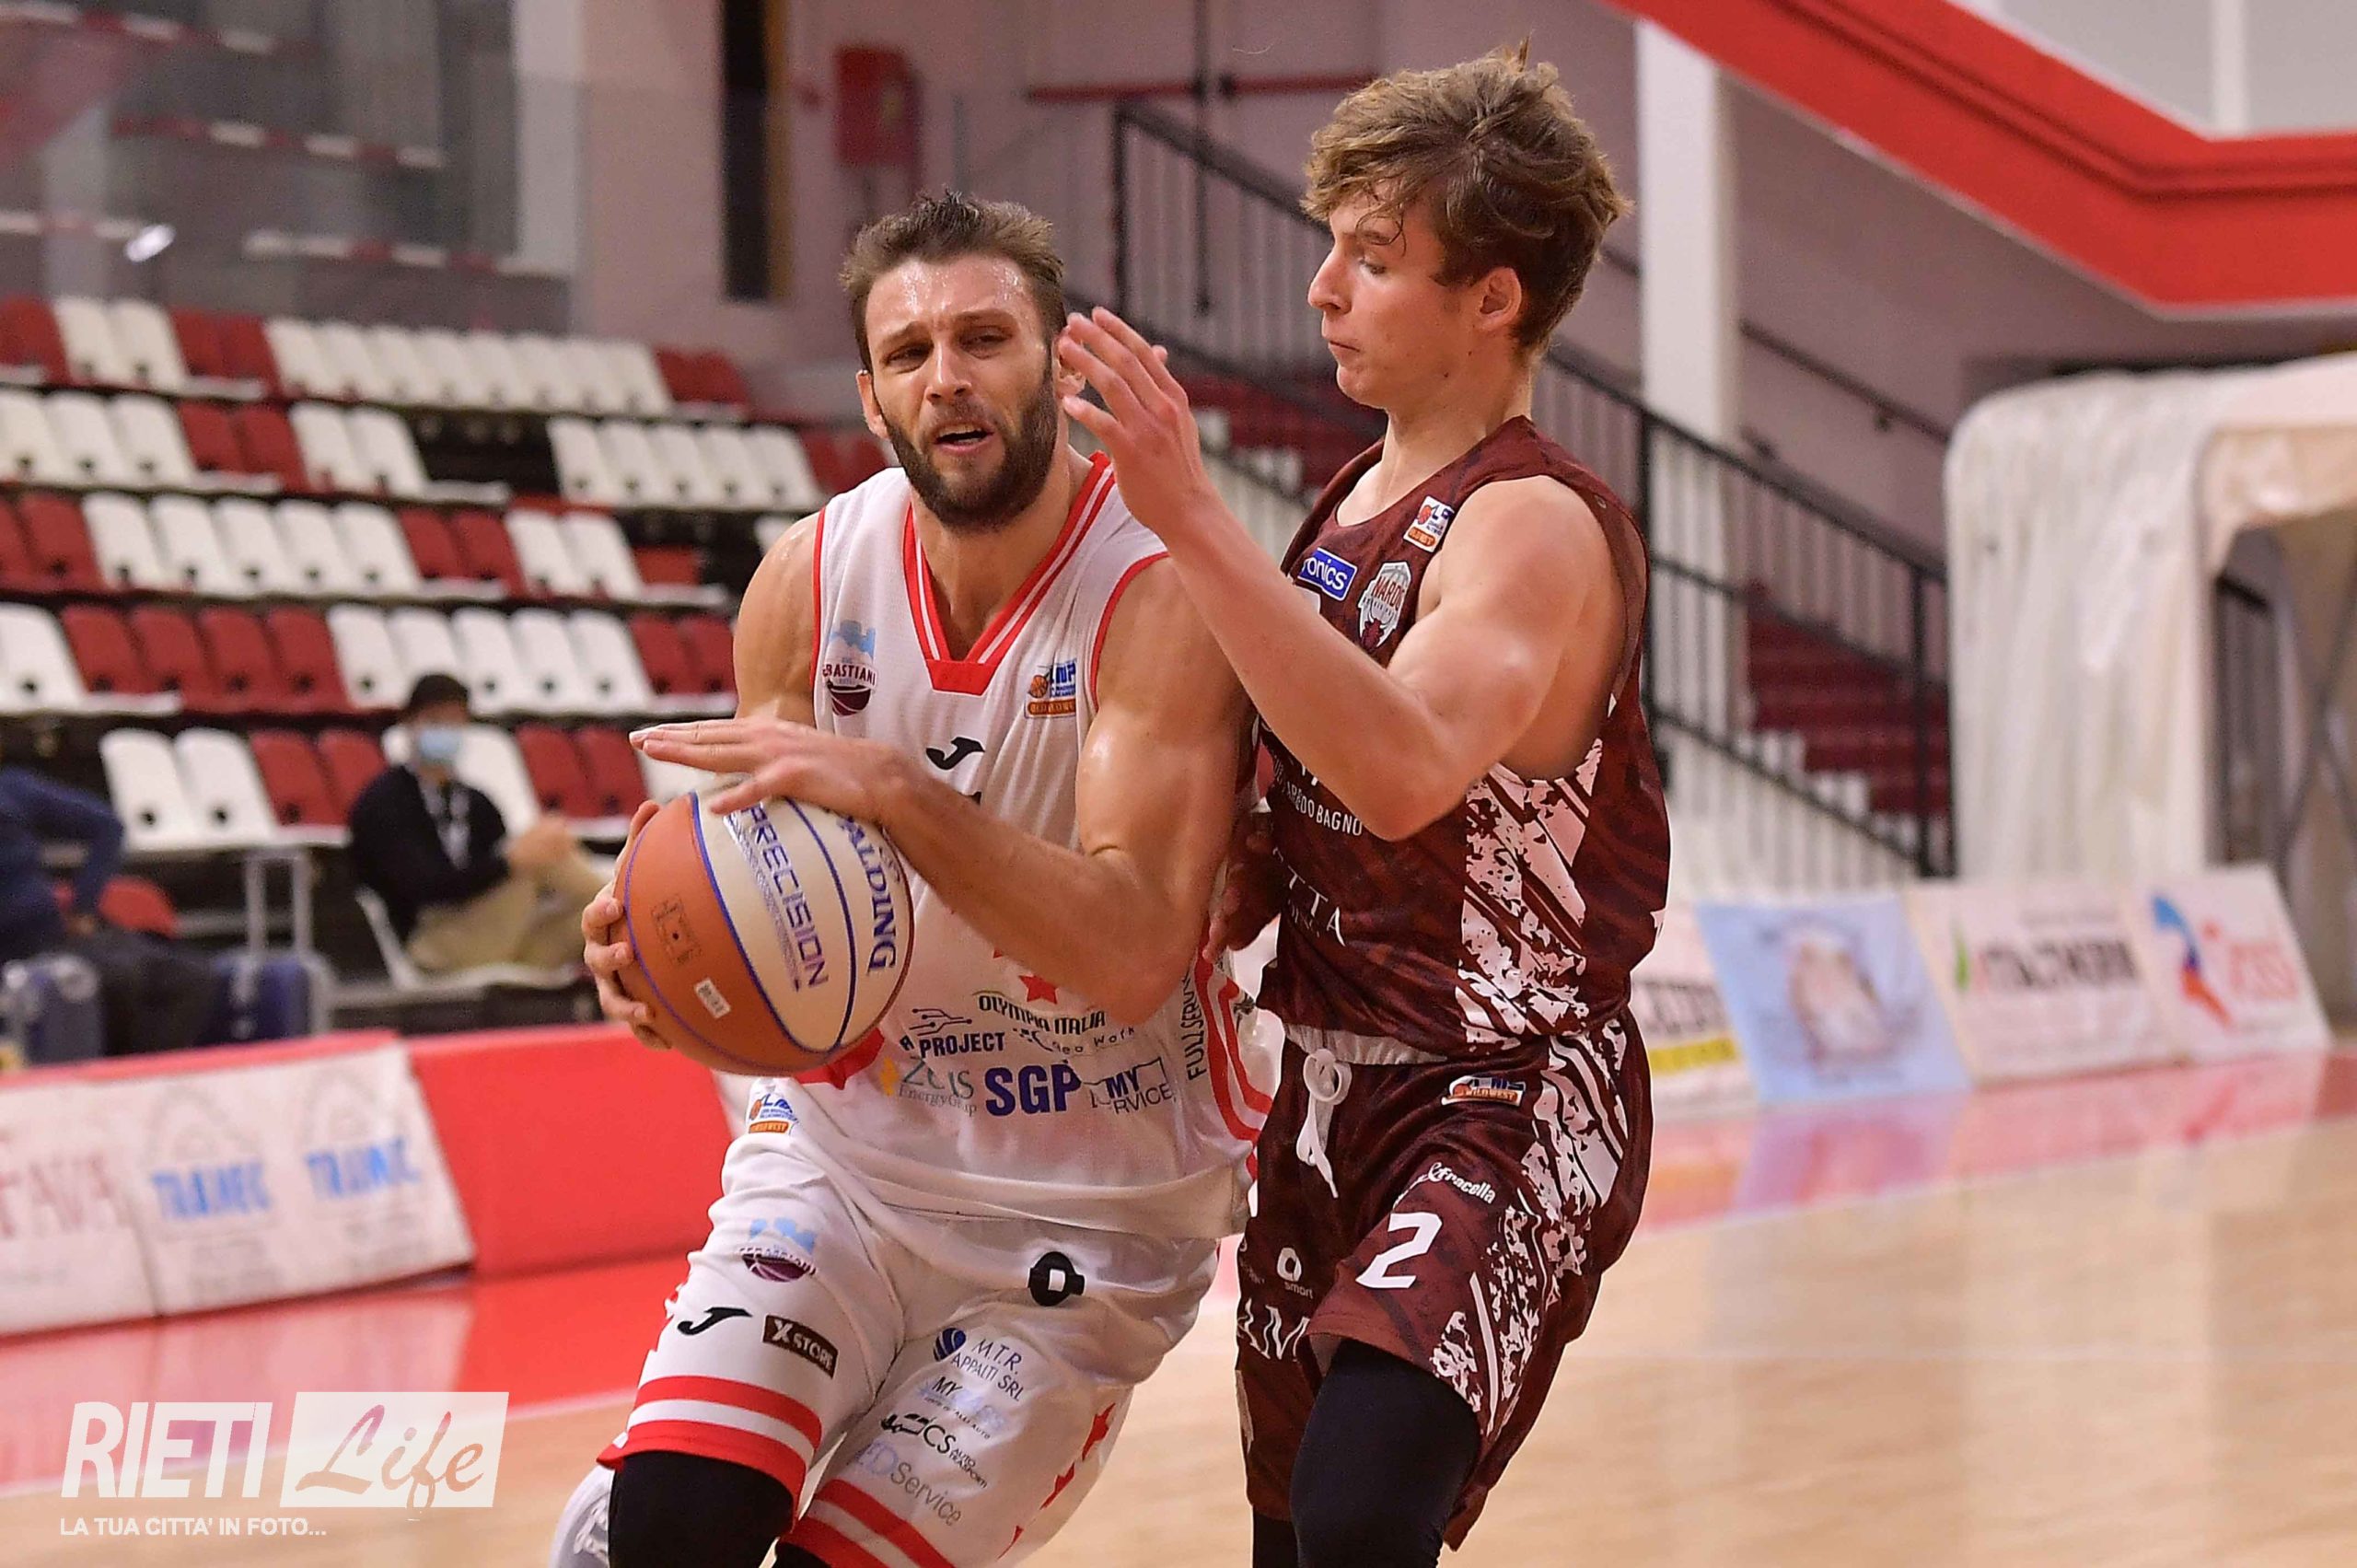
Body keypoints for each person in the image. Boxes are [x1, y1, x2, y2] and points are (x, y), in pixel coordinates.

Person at [551, 192, 1262, 1568]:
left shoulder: (1160, 592)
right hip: (845, 1165)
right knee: (669, 1527)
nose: (948, 375)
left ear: (1054, 366)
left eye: (985, 338)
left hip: (1085, 1219)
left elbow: (1133, 953)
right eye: (909, 351)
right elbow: (757, 890)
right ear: (872, 400)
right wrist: (660, 962)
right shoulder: (807, 580)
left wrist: (898, 791)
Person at [1058, 44, 1670, 1568]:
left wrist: (1189, 513)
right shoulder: (1346, 504)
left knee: (1360, 1510)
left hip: (1506, 1088)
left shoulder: (1531, 524)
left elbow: (1400, 771)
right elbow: (1312, 792)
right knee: (1293, 1534)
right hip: (1332, 1091)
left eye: (1375, 259)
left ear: (1493, 297)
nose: (1324, 287)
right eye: (1332, 245)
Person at [346, 672, 605, 974]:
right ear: (409, 722)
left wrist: (526, 854)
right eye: (435, 720)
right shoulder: (384, 802)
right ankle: (621, 902)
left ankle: (615, 905)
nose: (445, 731)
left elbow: (496, 873)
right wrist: (510, 862)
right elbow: (423, 887)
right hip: (432, 942)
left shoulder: (476, 802)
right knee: (535, 861)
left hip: (491, 935)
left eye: (454, 722)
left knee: (578, 899)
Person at [0, 765, 215, 1055]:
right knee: (118, 978)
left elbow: (107, 827)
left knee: (190, 975)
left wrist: (84, 906)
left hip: (60, 936)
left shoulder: (12, 790)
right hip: (16, 951)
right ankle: (116, 1073)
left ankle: (148, 1073)